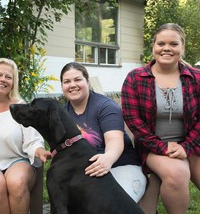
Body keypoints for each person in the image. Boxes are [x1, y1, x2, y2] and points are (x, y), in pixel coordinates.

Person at [121, 23, 200, 213]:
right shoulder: (135, 78)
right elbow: (134, 122)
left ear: (182, 47)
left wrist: (186, 147)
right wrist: (163, 147)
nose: (166, 48)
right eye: (161, 43)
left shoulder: (196, 78)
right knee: (177, 172)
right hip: (152, 147)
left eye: (173, 44)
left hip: (192, 144)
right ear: (153, 47)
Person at [0, 58, 51, 214]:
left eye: (9, 77)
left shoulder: (20, 107)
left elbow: (33, 139)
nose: (3, 80)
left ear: (13, 82)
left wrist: (40, 151)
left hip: (17, 161)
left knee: (17, 182)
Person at [60, 62, 147, 203]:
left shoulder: (105, 106)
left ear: (87, 82)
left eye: (77, 79)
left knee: (115, 205)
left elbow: (114, 140)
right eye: (67, 81)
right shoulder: (63, 113)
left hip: (121, 165)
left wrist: (108, 158)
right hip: (88, 172)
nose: (72, 85)